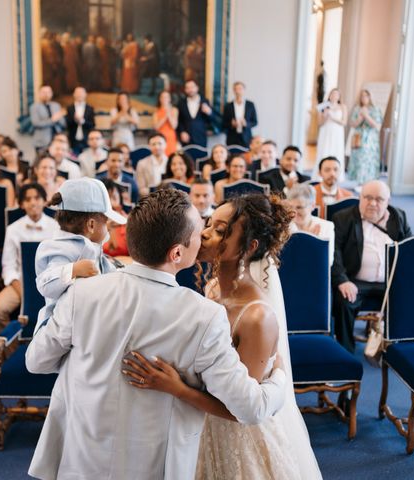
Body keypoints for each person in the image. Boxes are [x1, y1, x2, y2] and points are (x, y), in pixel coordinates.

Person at [25, 188, 288, 479]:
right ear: (177, 252)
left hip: (78, 460)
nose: (205, 237)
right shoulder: (204, 316)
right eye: (201, 230)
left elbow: (36, 362)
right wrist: (280, 376)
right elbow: (252, 408)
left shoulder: (79, 293)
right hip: (157, 467)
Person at [121, 192, 321, 480]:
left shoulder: (257, 317)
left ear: (249, 247)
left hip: (241, 440)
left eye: (220, 231)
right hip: (200, 422)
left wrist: (177, 388)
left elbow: (242, 409)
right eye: (209, 224)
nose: (203, 234)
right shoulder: (213, 288)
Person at [33, 178, 125, 332]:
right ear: (91, 225)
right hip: (59, 331)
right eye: (106, 222)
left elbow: (109, 273)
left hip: (89, 323)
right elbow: (45, 285)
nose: (108, 227)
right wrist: (73, 270)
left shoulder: (93, 247)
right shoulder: (61, 248)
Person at [332, 180, 412, 353]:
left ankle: (396, 347)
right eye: (367, 197)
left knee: (411, 298)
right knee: (344, 301)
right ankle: (345, 352)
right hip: (355, 281)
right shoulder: (343, 218)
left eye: (379, 199)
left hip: (389, 281)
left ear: (387, 202)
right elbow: (334, 251)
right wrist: (343, 280)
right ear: (360, 197)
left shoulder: (398, 217)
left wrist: (406, 282)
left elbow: (410, 249)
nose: (372, 203)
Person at [0, 183, 59, 331]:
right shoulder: (13, 229)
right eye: (28, 199)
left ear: (44, 201)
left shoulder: (56, 227)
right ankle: (13, 347)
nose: (33, 202)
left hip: (50, 282)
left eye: (37, 198)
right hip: (20, 284)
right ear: (21, 204)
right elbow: (8, 266)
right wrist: (24, 292)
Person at [287, 183, 335, 265]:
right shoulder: (285, 228)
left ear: (312, 206)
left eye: (299, 207)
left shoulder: (326, 227)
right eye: (291, 207)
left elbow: (327, 262)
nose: (294, 212)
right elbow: (284, 262)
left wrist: (310, 242)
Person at [348, 89, 383, 185]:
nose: (364, 98)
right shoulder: (357, 108)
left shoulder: (376, 109)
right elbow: (353, 124)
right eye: (362, 96)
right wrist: (360, 117)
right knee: (359, 159)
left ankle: (368, 183)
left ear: (370, 97)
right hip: (358, 137)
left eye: (366, 96)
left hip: (370, 139)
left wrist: (366, 116)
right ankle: (359, 182)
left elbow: (377, 126)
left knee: (368, 159)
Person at [314, 88, 347, 180]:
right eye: (332, 94)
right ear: (329, 95)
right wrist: (325, 116)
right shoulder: (324, 106)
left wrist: (332, 118)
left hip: (337, 132)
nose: (334, 96)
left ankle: (336, 174)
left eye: (336, 94)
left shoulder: (342, 107)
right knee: (325, 150)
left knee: (336, 150)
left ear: (339, 96)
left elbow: (344, 122)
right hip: (326, 131)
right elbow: (320, 123)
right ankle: (321, 174)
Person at [222, 81, 258, 149]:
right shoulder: (228, 106)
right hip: (232, 137)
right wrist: (231, 124)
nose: (238, 91)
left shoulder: (250, 105)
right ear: (234, 91)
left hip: (246, 137)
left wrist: (246, 124)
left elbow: (255, 122)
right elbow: (223, 124)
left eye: (240, 89)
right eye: (236, 89)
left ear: (244, 90)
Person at [177, 80, 212, 147]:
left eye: (192, 87)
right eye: (188, 88)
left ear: (197, 88)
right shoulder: (181, 103)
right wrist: (182, 132)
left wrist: (209, 112)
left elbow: (210, 120)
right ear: (185, 90)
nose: (190, 90)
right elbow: (179, 120)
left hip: (201, 137)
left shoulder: (205, 101)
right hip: (186, 139)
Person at [30, 85, 66, 153]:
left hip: (57, 140)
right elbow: (36, 123)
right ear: (39, 93)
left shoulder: (56, 105)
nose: (46, 94)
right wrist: (52, 120)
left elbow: (63, 123)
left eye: (48, 92)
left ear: (51, 93)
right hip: (42, 142)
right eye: (44, 92)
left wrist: (59, 118)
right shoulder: (34, 107)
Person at [100, 179, 129, 258]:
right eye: (106, 199)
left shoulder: (130, 223)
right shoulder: (93, 225)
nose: (111, 203)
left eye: (114, 198)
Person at [136, 132, 168, 196]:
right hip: (150, 199)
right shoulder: (142, 164)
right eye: (153, 144)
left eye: (160, 143)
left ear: (165, 144)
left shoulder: (171, 162)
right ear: (149, 146)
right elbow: (141, 189)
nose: (157, 147)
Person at [65, 87, 95, 155]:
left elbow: (92, 125)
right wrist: (75, 120)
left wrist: (83, 121)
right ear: (74, 95)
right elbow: (67, 124)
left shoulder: (90, 108)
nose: (79, 95)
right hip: (73, 140)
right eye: (77, 93)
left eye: (81, 93)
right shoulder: (70, 108)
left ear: (85, 95)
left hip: (86, 140)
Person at [153, 91, 179, 156]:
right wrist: (165, 116)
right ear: (160, 99)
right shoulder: (156, 112)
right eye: (162, 97)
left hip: (171, 138)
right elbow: (156, 127)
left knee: (172, 156)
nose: (164, 99)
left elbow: (174, 126)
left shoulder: (174, 110)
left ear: (170, 99)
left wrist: (169, 113)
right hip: (160, 138)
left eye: (166, 97)